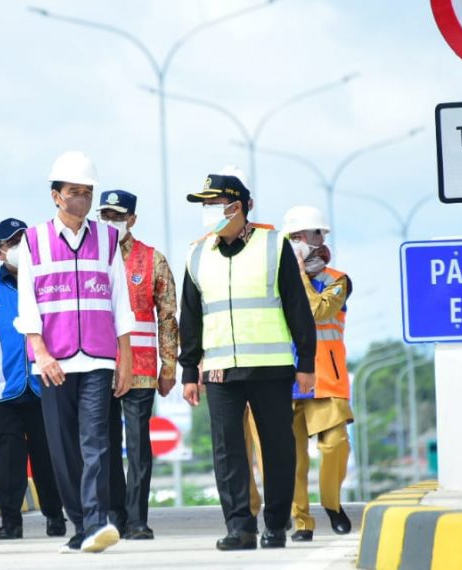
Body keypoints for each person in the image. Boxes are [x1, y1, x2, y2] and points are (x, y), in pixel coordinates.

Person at [177, 168, 317, 551]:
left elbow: (297, 307)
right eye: (204, 205)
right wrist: (189, 370)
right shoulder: (197, 254)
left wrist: (306, 363)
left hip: (270, 367)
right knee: (227, 450)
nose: (207, 211)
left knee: (277, 447)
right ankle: (240, 527)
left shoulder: (274, 246)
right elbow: (190, 317)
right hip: (220, 370)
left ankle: (274, 524)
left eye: (213, 204)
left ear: (236, 206)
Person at [14, 151, 136, 554]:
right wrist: (40, 352)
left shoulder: (108, 238)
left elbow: (120, 300)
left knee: (96, 441)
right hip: (55, 360)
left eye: (87, 192)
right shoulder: (33, 240)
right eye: (74, 192)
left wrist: (126, 358)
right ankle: (81, 522)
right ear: (56, 196)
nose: (81, 199)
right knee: (63, 449)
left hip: (99, 357)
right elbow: (27, 304)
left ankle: (97, 521)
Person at [0, 218, 67, 540]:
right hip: (4, 390)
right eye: (13, 243)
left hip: (43, 387)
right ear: (0, 252)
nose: (20, 248)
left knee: (46, 456)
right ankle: (10, 521)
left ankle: (55, 517)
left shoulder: (46, 283)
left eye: (25, 241)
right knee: (9, 458)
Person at [96, 190, 179, 540]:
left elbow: (167, 316)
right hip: (99, 368)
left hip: (143, 370)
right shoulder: (90, 258)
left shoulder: (152, 260)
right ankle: (113, 515)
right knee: (105, 446)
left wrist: (169, 366)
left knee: (139, 447)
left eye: (118, 216)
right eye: (105, 215)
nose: (111, 222)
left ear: (131, 219)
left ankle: (137, 518)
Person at [281, 205, 354, 542]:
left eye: (305, 236)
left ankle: (332, 503)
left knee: (335, 445)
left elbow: (318, 311)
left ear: (319, 239)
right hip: (287, 380)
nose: (300, 243)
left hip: (327, 378)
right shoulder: (277, 281)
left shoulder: (338, 281)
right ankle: (302, 522)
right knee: (293, 461)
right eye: (293, 237)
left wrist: (296, 277)